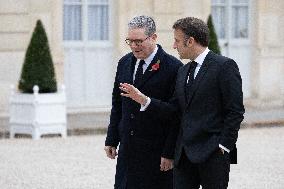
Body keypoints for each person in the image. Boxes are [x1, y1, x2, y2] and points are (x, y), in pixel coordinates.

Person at [120, 17, 245, 189]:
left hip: (213, 153)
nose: (174, 45)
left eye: (177, 41)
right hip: (183, 156)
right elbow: (174, 111)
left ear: (191, 41)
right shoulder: (183, 70)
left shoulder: (224, 66)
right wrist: (145, 101)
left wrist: (224, 146)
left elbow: (235, 110)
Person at [104, 15, 183, 189]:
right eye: (130, 41)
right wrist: (111, 139)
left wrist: (169, 153)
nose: (133, 46)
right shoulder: (124, 62)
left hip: (156, 151)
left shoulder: (173, 67)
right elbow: (117, 104)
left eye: (138, 41)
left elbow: (176, 114)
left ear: (153, 37)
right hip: (128, 150)